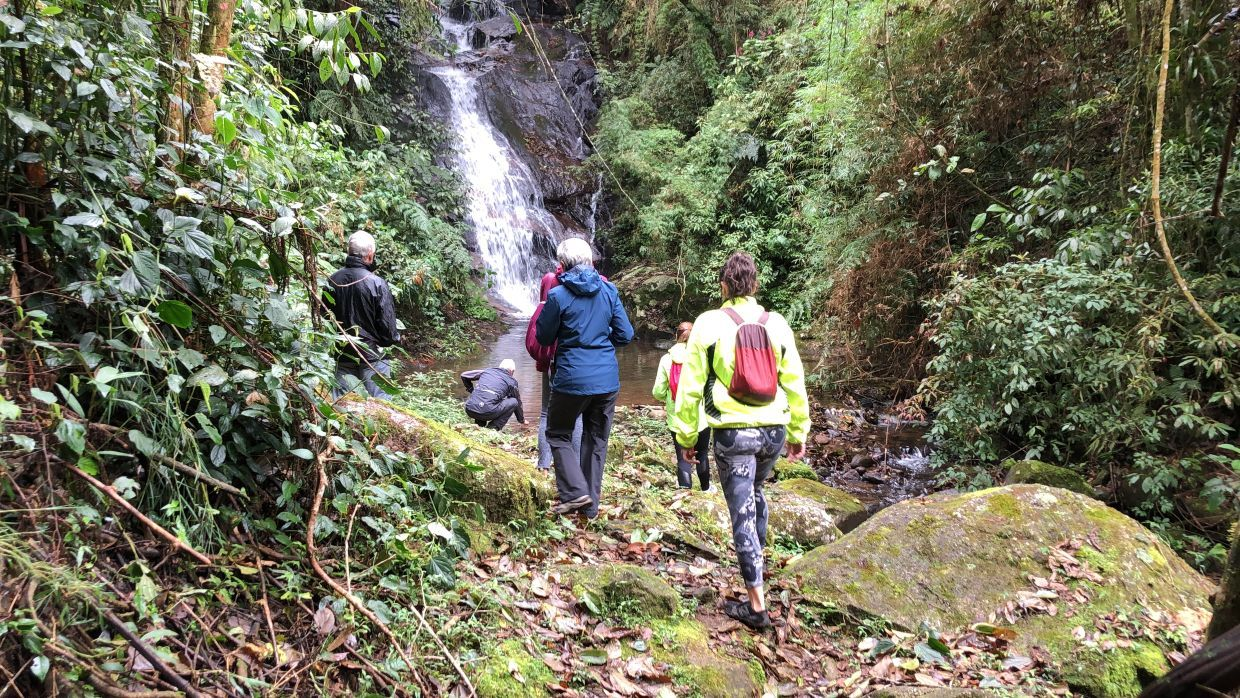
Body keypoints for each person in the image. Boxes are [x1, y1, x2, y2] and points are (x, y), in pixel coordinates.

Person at [672, 251, 810, 631]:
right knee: (757, 491)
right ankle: (760, 570)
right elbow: (794, 382)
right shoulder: (777, 323)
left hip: (733, 431)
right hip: (773, 430)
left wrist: (687, 436)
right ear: (755, 285)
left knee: (742, 511)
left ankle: (757, 605)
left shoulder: (708, 323)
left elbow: (689, 388)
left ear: (723, 285)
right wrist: (798, 431)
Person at [536, 238, 634, 518]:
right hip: (606, 380)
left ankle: (575, 492)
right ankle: (589, 509)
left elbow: (544, 336)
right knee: (596, 440)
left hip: (570, 379)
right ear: (591, 262)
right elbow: (625, 335)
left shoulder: (558, 296)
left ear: (563, 266)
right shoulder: (608, 290)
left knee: (557, 432)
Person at [325, 231, 400, 399]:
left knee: (341, 407)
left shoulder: (333, 280)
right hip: (372, 356)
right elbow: (388, 330)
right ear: (370, 255)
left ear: (349, 251)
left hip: (342, 353)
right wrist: (388, 341)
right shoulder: (377, 283)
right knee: (383, 406)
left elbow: (324, 318)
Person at [526, 271, 583, 470]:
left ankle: (543, 464)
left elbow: (541, 335)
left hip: (551, 360)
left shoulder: (550, 284)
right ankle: (575, 467)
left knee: (545, 413)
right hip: (575, 362)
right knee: (576, 415)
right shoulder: (580, 292)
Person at [652, 321, 711, 490]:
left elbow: (657, 391)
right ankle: (706, 489)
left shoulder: (666, 359)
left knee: (682, 456)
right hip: (701, 417)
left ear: (676, 336)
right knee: (703, 454)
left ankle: (686, 491)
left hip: (677, 417)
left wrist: (669, 398)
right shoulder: (703, 356)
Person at [460, 359, 525, 430]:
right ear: (512, 371)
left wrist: (471, 390)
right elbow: (517, 403)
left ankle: (479, 426)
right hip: (487, 412)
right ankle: (493, 429)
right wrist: (521, 420)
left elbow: (464, 375)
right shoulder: (511, 381)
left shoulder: (487, 371)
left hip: (470, 409)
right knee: (513, 401)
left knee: (485, 397)